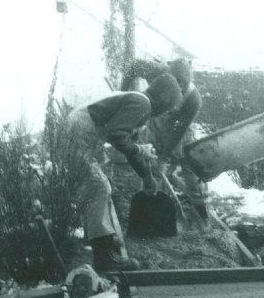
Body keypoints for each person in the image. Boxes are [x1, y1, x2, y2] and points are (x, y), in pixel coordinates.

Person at [68, 73, 183, 272]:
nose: (167, 111)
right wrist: (139, 151)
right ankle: (103, 259)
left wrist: (146, 176)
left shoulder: (137, 99)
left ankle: (101, 243)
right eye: (170, 105)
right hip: (77, 134)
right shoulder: (142, 104)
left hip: (79, 131)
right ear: (163, 98)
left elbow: (124, 141)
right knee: (98, 188)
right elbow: (117, 136)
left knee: (96, 187)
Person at [142, 58, 209, 223]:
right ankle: (154, 208)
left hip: (181, 131)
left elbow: (178, 130)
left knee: (190, 168)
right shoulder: (158, 79)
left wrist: (164, 158)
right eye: (175, 81)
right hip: (157, 124)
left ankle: (201, 210)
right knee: (151, 167)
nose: (179, 86)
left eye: (183, 83)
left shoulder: (194, 99)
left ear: (189, 81)